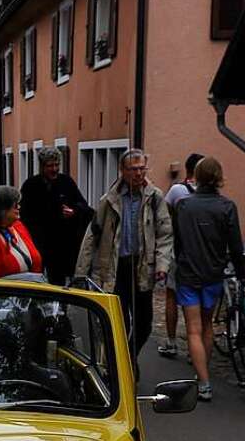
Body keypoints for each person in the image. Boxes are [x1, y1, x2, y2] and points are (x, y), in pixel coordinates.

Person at [74, 149, 173, 361]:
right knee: (119, 321)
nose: (138, 174)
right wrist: (81, 272)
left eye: (141, 168)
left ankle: (128, 358)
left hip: (142, 267)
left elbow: (165, 234)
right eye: (133, 169)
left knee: (144, 323)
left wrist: (162, 266)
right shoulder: (109, 200)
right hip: (115, 268)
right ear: (122, 171)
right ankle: (122, 365)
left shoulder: (155, 198)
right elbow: (92, 235)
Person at [174, 156, 245, 403]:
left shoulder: (183, 205)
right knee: (207, 325)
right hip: (213, 274)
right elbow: (236, 246)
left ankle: (203, 382)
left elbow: (177, 242)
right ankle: (203, 374)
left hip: (188, 273)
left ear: (197, 175)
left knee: (192, 329)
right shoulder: (227, 207)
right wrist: (241, 270)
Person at [20, 146, 92, 286]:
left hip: (62, 247)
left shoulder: (66, 182)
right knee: (36, 284)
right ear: (41, 166)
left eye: (57, 165)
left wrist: (74, 211)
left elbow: (85, 208)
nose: (54, 169)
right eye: (50, 166)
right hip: (38, 246)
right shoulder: (31, 186)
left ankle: (60, 308)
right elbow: (24, 217)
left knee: (58, 285)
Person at [158, 152, 204, 359]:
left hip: (179, 250)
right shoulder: (209, 192)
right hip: (202, 254)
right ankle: (198, 346)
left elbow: (165, 217)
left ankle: (171, 341)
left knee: (172, 295)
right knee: (198, 300)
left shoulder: (178, 190)